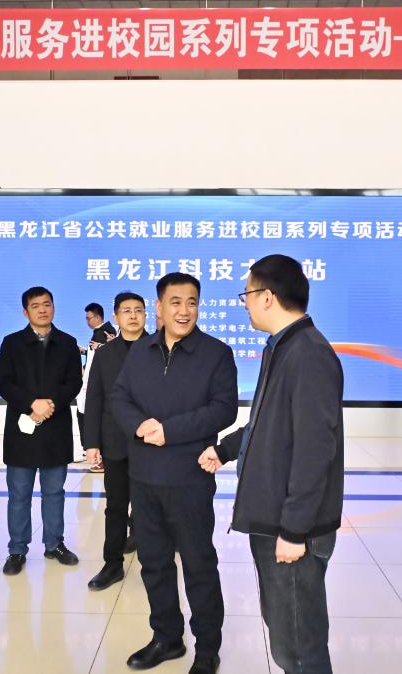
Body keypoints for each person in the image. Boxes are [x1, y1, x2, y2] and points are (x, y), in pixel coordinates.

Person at [198, 255, 344, 674]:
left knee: (299, 645)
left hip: (292, 527)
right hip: (275, 519)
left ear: (267, 297)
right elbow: (269, 422)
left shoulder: (308, 354)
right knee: (285, 631)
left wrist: (294, 530)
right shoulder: (282, 347)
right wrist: (227, 449)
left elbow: (314, 450)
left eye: (246, 294)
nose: (244, 303)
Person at [112, 272, 238, 674]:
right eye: (176, 302)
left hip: (189, 478)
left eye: (192, 302)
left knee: (199, 566)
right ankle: (167, 638)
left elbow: (223, 409)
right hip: (143, 477)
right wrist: (139, 425)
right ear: (160, 307)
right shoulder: (141, 350)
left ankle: (208, 649)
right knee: (154, 563)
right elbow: (119, 397)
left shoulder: (216, 353)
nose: (185, 310)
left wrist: (169, 431)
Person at [0, 286, 82, 576]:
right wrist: (32, 403)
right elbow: (3, 382)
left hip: (56, 427)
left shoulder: (67, 343)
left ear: (54, 307)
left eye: (47, 304)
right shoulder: (12, 343)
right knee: (19, 493)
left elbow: (74, 382)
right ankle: (17, 549)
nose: (43, 310)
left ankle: (54, 544)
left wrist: (50, 403)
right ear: (25, 312)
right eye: (36, 306)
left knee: (54, 492)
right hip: (22, 428)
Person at [83, 292, 147, 591]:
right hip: (116, 443)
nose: (133, 316)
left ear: (145, 315)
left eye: (138, 310)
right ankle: (112, 565)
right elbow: (94, 398)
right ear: (116, 317)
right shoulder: (105, 354)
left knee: (150, 508)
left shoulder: (161, 348)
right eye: (126, 311)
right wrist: (91, 443)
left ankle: (154, 565)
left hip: (152, 444)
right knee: (116, 506)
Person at [77, 302, 117, 459]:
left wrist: (100, 347)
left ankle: (89, 445)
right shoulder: (100, 332)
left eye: (89, 318)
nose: (87, 321)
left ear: (98, 317)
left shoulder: (105, 332)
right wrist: (85, 351)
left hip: (96, 381)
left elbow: (106, 355)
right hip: (90, 379)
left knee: (86, 411)